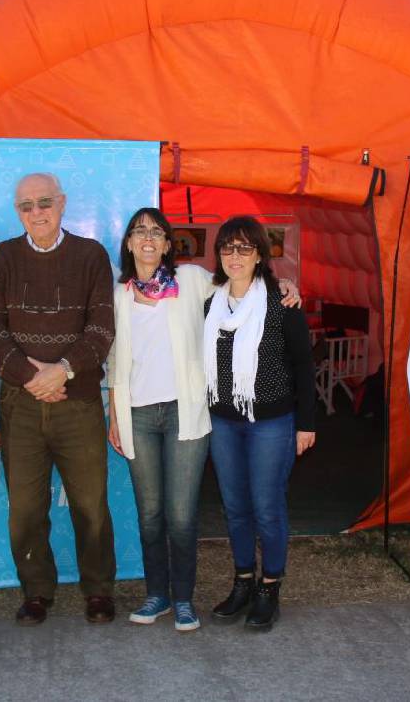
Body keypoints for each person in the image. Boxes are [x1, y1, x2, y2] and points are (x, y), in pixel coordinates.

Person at [106, 207, 302, 632]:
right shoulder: (116, 294)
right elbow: (113, 360)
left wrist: (283, 283)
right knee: (150, 514)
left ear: (166, 243)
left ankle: (183, 600)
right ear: (128, 242)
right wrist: (114, 414)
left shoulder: (192, 281)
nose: (147, 238)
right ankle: (156, 594)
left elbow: (243, 284)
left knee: (180, 515)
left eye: (156, 232)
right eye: (139, 231)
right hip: (137, 414)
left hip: (186, 412)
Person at [0, 172, 117, 626]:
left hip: (77, 403)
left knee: (91, 505)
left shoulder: (91, 256)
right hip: (20, 407)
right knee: (25, 509)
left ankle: (98, 591)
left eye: (44, 203)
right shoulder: (1, 258)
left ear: (61, 202)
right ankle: (36, 590)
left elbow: (101, 329)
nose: (36, 213)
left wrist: (62, 371)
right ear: (17, 211)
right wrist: (31, 377)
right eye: (26, 206)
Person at [204, 216, 316, 631]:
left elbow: (305, 366)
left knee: (267, 508)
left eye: (244, 248)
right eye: (228, 248)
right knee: (234, 508)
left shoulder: (282, 303)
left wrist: (307, 424)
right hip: (223, 422)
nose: (235, 256)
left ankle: (270, 587)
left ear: (259, 255)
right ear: (219, 254)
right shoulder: (208, 304)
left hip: (273, 422)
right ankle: (243, 582)